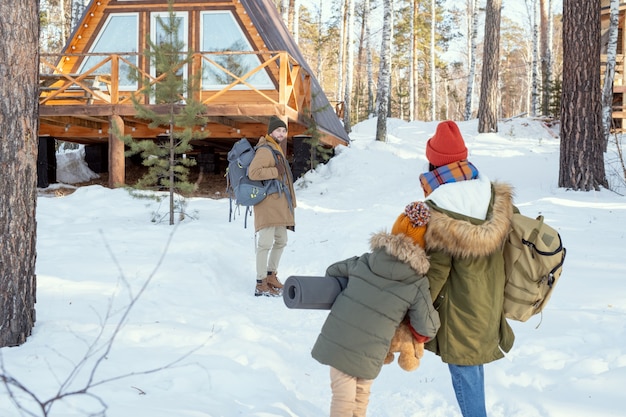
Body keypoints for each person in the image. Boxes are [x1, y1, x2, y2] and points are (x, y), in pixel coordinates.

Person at [418, 120, 515, 417]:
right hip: (489, 300)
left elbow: (437, 271)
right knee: (472, 369)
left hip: (460, 309)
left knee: (465, 372)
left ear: (434, 162)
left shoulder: (441, 207)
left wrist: (418, 308)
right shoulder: (491, 195)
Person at [311, 202, 440, 417]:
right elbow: (427, 326)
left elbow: (332, 271)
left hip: (340, 339)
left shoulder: (366, 261)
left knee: (342, 396)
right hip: (371, 349)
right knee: (361, 395)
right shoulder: (416, 282)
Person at [248, 116, 297, 297]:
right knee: (265, 243)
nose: (282, 134)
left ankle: (271, 276)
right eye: (278, 130)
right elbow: (253, 173)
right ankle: (260, 283)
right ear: (270, 132)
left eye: (284, 131)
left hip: (278, 205)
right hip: (268, 204)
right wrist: (276, 171)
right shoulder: (265, 150)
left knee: (281, 240)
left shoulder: (276, 149)